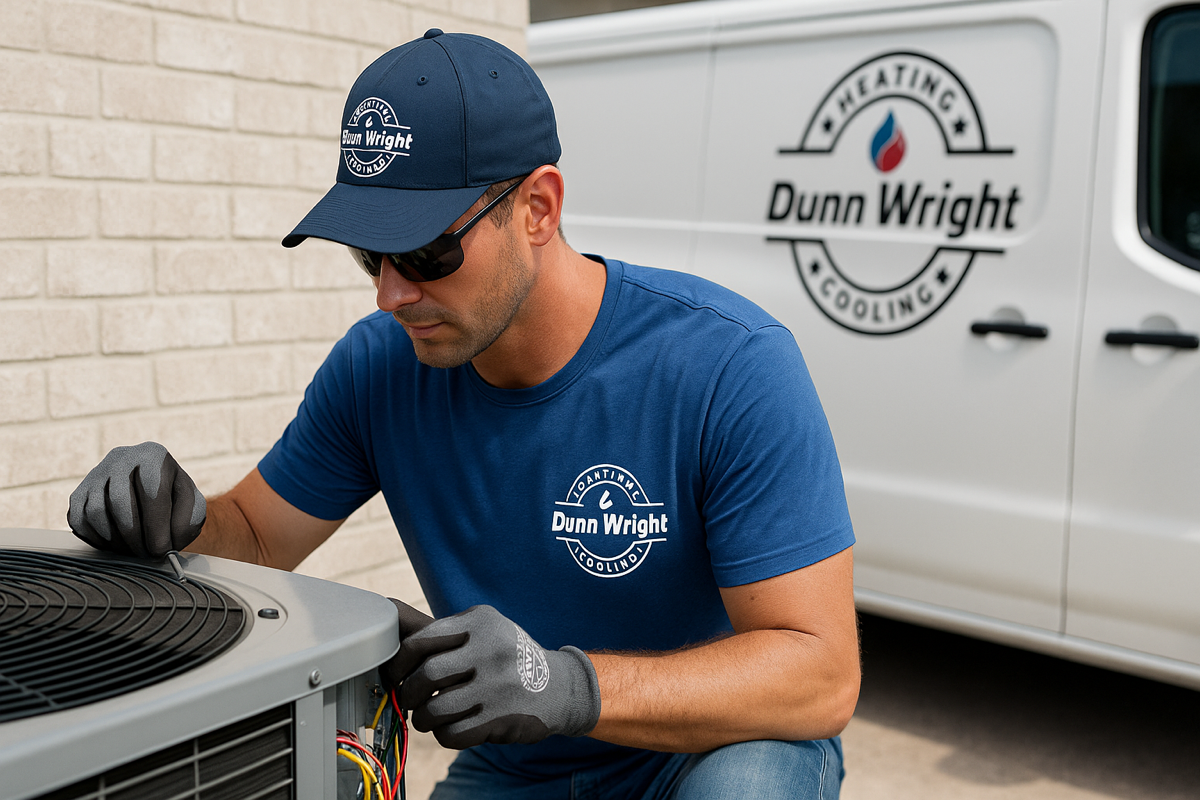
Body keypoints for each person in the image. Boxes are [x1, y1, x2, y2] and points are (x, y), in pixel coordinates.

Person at [68, 29, 859, 799]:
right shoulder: (379, 368)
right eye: (368, 256)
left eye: (423, 255)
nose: (390, 294)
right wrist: (167, 517)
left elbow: (818, 676)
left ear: (538, 208)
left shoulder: (726, 364)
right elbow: (256, 537)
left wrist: (567, 684)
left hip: (708, 751)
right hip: (524, 770)